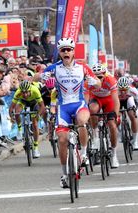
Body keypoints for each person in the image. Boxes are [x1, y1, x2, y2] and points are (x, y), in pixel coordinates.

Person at [43, 37, 101, 188]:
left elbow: (98, 81)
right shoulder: (54, 68)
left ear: (73, 52)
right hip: (63, 108)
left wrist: (95, 82)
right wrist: (41, 76)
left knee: (82, 122)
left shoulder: (82, 67)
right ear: (60, 53)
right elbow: (36, 77)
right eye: (63, 50)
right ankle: (64, 174)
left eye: (69, 49)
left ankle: (84, 153)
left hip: (79, 104)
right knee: (62, 140)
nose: (66, 52)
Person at [87, 63, 120, 168]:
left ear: (105, 75)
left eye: (100, 77)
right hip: (96, 99)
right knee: (92, 110)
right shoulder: (89, 82)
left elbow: (115, 99)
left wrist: (116, 113)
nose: (98, 79)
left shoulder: (110, 80)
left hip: (108, 99)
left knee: (112, 125)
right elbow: (85, 98)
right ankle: (95, 135)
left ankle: (114, 154)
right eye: (95, 76)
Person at [9, 81, 45, 158]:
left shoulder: (35, 90)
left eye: (26, 92)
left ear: (30, 90)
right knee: (17, 112)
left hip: (34, 103)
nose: (25, 94)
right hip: (23, 102)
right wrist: (11, 116)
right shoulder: (18, 92)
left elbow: (42, 106)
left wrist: (38, 115)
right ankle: (19, 129)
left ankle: (35, 147)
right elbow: (11, 107)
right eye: (23, 93)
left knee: (35, 124)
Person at [117, 76, 138, 150]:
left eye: (125, 90)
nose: (123, 92)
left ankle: (135, 141)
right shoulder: (114, 90)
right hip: (118, 102)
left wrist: (137, 112)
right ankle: (120, 132)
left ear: (128, 87)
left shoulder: (133, 89)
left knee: (133, 117)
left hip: (128, 100)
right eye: (121, 90)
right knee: (115, 118)